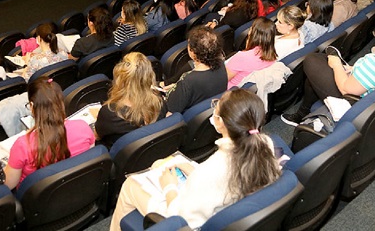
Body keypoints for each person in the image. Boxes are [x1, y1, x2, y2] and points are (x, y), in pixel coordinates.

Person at [110, 88, 281, 231]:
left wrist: (169, 186)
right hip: (226, 201)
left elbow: (178, 216)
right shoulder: (264, 142)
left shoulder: (214, 169)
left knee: (130, 185)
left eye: (216, 106)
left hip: (187, 220)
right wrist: (193, 170)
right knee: (159, 164)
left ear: (221, 122)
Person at [281, 11, 375, 126]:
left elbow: (345, 89)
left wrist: (337, 65)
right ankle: (302, 114)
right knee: (319, 66)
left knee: (312, 60)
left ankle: (302, 114)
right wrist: (354, 70)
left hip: (355, 106)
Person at [4, 78, 95, 189]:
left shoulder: (22, 145)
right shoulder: (83, 127)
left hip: (38, 201)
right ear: (61, 102)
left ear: (32, 106)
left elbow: (8, 184)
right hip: (75, 188)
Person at [94, 52, 167, 149]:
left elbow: (97, 136)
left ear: (119, 80)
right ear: (149, 76)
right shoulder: (160, 102)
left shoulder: (110, 112)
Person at [162, 26, 228, 114]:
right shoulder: (221, 65)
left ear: (193, 52)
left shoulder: (188, 80)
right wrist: (178, 87)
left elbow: (170, 114)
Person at [225, 17, 277, 88]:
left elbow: (222, 80)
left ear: (253, 33)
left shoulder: (243, 57)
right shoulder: (272, 56)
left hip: (226, 92)